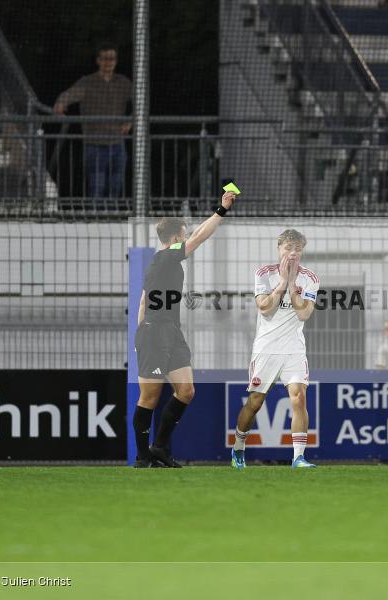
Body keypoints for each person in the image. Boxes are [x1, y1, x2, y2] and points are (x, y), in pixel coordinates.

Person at [132, 191, 238, 468]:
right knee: (150, 397)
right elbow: (200, 237)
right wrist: (221, 210)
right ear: (177, 237)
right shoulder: (164, 257)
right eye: (185, 234)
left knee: (186, 391)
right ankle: (143, 457)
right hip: (154, 333)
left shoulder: (163, 263)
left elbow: (143, 299)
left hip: (171, 332)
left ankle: (160, 447)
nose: (188, 237)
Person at [230, 229, 321, 469]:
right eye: (288, 248)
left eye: (297, 250)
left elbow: (303, 314)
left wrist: (292, 284)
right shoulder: (264, 274)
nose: (292, 254)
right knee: (256, 402)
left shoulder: (310, 278)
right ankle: (238, 447)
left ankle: (298, 457)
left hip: (293, 348)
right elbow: (264, 308)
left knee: (299, 398)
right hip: (266, 348)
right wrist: (282, 283)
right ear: (279, 249)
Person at [54, 43, 132, 199]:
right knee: (97, 186)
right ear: (98, 60)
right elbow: (69, 94)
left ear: (116, 61)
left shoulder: (123, 82)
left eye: (111, 59)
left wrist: (130, 121)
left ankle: (111, 220)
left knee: (115, 186)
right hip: (94, 143)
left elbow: (140, 102)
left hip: (117, 142)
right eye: (105, 59)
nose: (108, 62)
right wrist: (61, 103)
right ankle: (96, 219)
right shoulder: (88, 82)